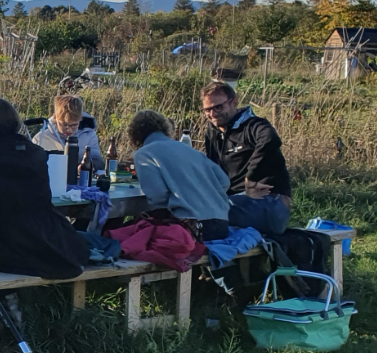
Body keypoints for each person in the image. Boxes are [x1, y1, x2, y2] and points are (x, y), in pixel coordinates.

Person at [0, 97, 88, 278]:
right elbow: (44, 202)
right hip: (45, 242)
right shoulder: (36, 153)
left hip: (8, 244)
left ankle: (4, 299)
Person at [201, 81, 292, 235]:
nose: (213, 114)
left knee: (205, 217)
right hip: (234, 203)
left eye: (218, 107)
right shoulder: (213, 133)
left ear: (234, 103)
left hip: (268, 203)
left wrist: (251, 179)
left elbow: (270, 140)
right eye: (207, 110)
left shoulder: (254, 126)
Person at [126, 109, 232, 240]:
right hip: (222, 225)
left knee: (129, 234)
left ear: (135, 134)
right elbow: (224, 181)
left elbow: (157, 196)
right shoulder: (189, 149)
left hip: (191, 228)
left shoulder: (144, 154)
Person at [31, 94, 104, 173]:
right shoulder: (40, 138)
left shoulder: (89, 134)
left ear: (80, 119)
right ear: (55, 118)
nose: (69, 129)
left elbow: (98, 160)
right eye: (64, 124)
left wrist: (90, 165)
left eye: (74, 125)